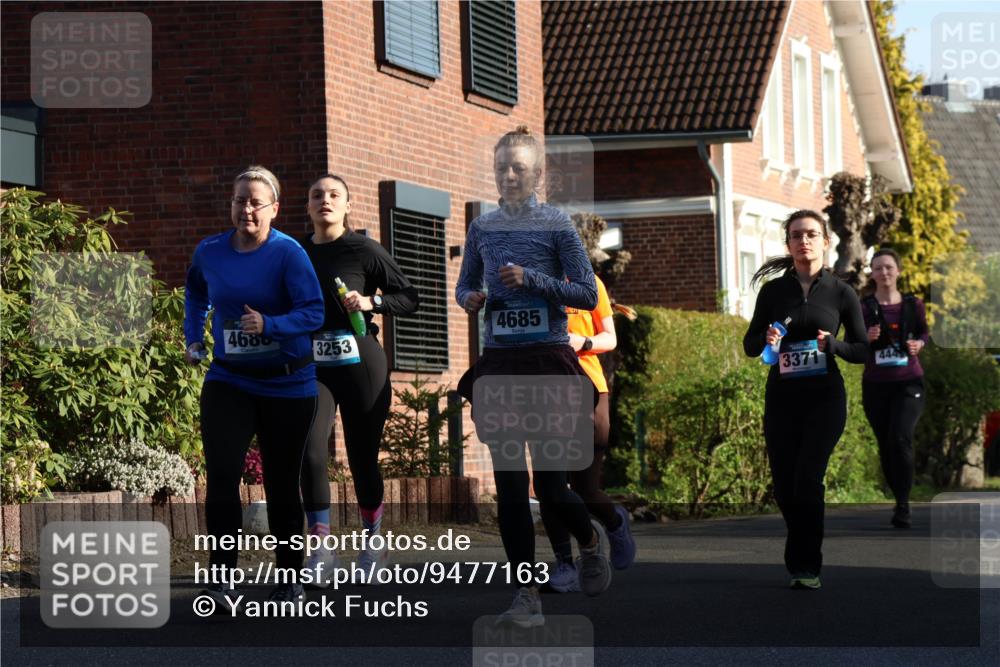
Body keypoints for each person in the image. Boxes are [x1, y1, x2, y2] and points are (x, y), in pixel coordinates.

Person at [456, 126, 612, 628]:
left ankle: (589, 542)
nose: (508, 175)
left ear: (538, 174)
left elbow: (586, 293)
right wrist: (473, 299)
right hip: (500, 363)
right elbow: (463, 287)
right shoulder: (482, 227)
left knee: (549, 486)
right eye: (501, 167)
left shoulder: (556, 224)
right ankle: (526, 595)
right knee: (508, 487)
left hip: (547, 360)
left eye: (518, 167)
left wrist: (532, 280)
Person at [184, 165, 325, 606]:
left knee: (283, 483)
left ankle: (289, 578)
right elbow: (195, 293)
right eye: (239, 199)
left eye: (255, 202)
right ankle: (221, 578)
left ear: (274, 209)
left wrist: (271, 324)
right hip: (230, 378)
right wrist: (193, 335)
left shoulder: (289, 254)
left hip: (288, 383)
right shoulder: (210, 251)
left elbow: (314, 312)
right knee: (222, 474)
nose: (246, 208)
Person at [298, 174, 419, 584]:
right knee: (311, 450)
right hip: (314, 365)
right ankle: (319, 547)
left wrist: (372, 301)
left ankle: (373, 540)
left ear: (348, 206)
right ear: (308, 206)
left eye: (334, 195)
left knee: (361, 456)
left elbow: (410, 296)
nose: (325, 201)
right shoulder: (295, 252)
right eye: (317, 195)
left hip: (361, 362)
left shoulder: (363, 248)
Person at [742, 209, 868, 590]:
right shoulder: (773, 292)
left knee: (808, 479)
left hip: (824, 399)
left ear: (825, 242)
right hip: (781, 398)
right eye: (797, 235)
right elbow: (750, 346)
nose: (804, 241)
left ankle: (805, 565)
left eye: (812, 234)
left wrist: (834, 345)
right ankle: (801, 544)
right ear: (788, 244)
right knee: (784, 487)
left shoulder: (841, 292)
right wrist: (766, 339)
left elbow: (862, 349)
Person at [540, 272, 637, 593]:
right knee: (549, 486)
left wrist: (584, 342)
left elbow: (611, 337)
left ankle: (614, 522)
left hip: (588, 388)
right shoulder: (527, 280)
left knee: (585, 488)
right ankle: (565, 565)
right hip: (544, 392)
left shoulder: (588, 282)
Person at [860, 248, 928, 529]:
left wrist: (919, 344)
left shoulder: (914, 304)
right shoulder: (864, 308)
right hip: (876, 384)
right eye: (878, 268)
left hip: (908, 381)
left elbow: (923, 332)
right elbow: (852, 341)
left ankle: (903, 502)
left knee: (901, 437)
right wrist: (866, 337)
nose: (884, 272)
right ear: (872, 274)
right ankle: (898, 496)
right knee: (886, 444)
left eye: (888, 267)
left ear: (898, 271)